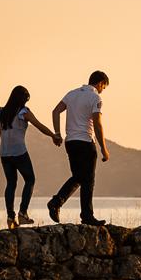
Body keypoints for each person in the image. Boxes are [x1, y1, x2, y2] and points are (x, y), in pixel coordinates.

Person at [47, 70, 111, 226]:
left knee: (79, 177)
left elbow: (55, 111)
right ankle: (86, 215)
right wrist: (103, 148)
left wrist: (57, 133)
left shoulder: (72, 94)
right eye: (104, 87)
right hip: (85, 142)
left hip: (71, 142)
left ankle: (56, 203)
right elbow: (97, 123)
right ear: (101, 83)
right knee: (88, 180)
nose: (103, 90)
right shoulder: (96, 97)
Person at [0, 85, 63, 229]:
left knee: (11, 184)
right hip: (19, 152)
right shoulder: (23, 112)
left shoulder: (2, 112)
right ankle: (23, 213)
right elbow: (38, 125)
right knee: (30, 179)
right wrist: (54, 135)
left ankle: (10, 217)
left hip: (4, 153)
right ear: (22, 99)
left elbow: (1, 135)